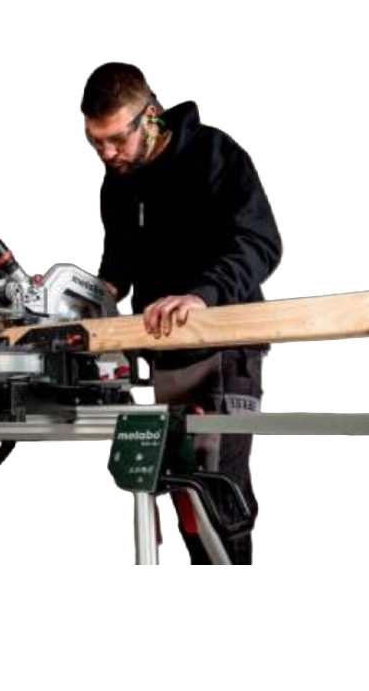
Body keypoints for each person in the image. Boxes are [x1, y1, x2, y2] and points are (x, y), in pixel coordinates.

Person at [82, 62, 282, 565]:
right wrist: (92, 293)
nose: (107, 153)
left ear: (150, 117)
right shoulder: (118, 180)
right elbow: (120, 263)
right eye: (96, 142)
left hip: (225, 343)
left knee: (218, 490)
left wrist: (203, 295)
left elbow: (261, 242)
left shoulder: (213, 153)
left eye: (116, 139)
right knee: (182, 490)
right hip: (165, 351)